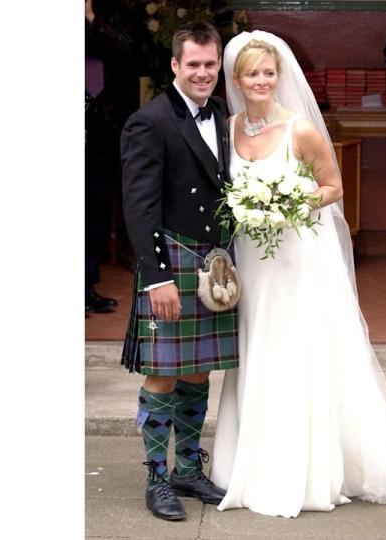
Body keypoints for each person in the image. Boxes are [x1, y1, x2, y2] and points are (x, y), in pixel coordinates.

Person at [209, 31, 386, 518]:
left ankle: (300, 469)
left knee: (292, 348)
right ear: (236, 80)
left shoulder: (300, 129)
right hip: (252, 261)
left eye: (269, 72)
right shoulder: (229, 128)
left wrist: (287, 202)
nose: (262, 81)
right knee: (254, 347)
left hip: (294, 257)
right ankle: (246, 460)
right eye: (252, 73)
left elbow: (333, 186)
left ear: (279, 77)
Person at [119, 22, 237, 521]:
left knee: (195, 371)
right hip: (172, 260)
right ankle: (156, 477)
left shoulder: (225, 118)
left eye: (210, 65)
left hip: (213, 265)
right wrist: (157, 277)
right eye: (194, 64)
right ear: (174, 65)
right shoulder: (151, 121)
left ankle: (187, 466)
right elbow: (139, 206)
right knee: (162, 374)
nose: (203, 73)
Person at [85, 0, 134, 314]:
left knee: (94, 214)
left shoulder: (112, 11)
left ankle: (85, 288)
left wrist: (90, 17)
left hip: (99, 131)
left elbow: (126, 52)